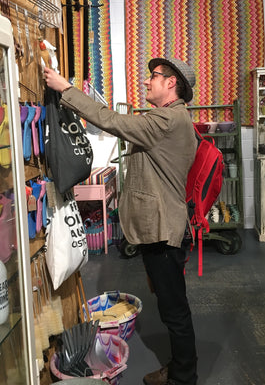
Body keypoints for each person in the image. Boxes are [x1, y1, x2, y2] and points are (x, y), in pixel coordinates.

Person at [43, 57, 198, 385]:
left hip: (163, 231)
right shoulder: (171, 118)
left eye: (154, 76)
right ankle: (180, 368)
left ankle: (184, 377)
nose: (147, 81)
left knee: (175, 312)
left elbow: (112, 120)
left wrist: (65, 89)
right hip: (161, 228)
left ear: (171, 83)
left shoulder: (168, 120)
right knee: (172, 308)